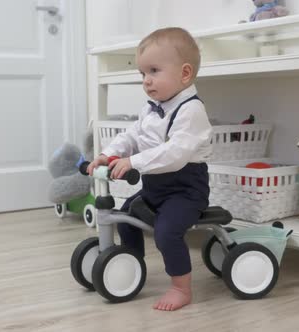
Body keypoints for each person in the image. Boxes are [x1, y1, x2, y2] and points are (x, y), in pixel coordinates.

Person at [87, 27, 212, 311]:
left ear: (184, 74)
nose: (146, 81)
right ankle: (130, 265)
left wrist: (134, 162)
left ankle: (181, 288)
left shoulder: (191, 111)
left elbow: (175, 155)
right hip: (156, 188)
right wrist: (109, 154)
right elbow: (133, 135)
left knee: (166, 232)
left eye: (154, 71)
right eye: (142, 74)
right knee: (124, 216)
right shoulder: (152, 107)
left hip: (185, 191)